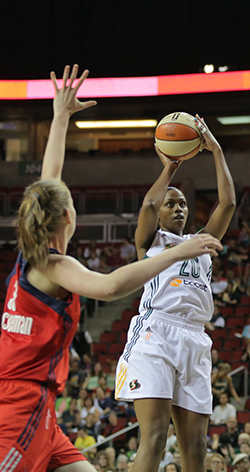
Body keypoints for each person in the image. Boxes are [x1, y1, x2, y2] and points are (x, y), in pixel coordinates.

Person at [0, 65, 222, 472]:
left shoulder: (30, 251)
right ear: (68, 217)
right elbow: (109, 286)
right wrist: (176, 253)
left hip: (42, 408)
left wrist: (60, 117)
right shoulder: (54, 264)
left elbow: (50, 177)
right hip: (20, 407)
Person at [115, 115, 235, 472]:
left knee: (196, 450)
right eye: (173, 203)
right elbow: (149, 207)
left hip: (195, 338)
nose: (179, 207)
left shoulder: (201, 242)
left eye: (183, 203)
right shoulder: (151, 242)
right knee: (153, 438)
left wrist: (215, 149)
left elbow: (227, 205)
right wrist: (170, 168)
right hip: (156, 332)